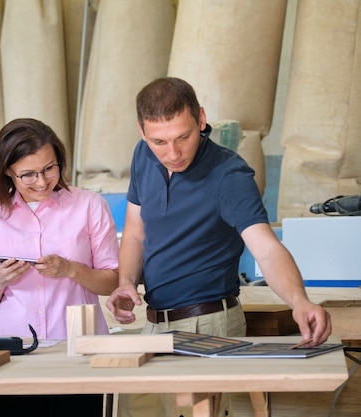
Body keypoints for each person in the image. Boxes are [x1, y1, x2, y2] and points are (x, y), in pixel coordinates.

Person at [105, 77, 332, 417]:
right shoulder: (143, 156)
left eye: (183, 137)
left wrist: (299, 300)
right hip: (154, 322)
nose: (173, 153)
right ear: (142, 131)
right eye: (159, 141)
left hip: (206, 323)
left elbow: (267, 249)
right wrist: (125, 282)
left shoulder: (230, 176)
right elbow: (136, 231)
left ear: (200, 118)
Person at [0, 117, 120, 417]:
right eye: (28, 174)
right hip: (12, 354)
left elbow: (112, 281)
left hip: (78, 348)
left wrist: (70, 269)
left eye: (50, 168)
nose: (41, 181)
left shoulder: (89, 205)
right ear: (7, 172)